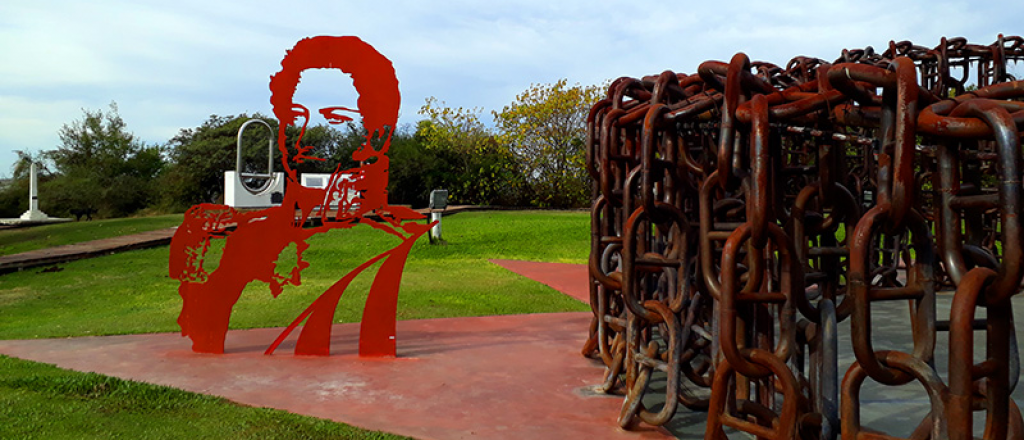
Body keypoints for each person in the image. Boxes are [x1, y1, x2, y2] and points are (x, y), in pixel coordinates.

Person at [169, 36, 431, 357]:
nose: (306, 135)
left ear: (378, 133)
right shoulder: (243, 239)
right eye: (295, 115)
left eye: (334, 117)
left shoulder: (393, 235)